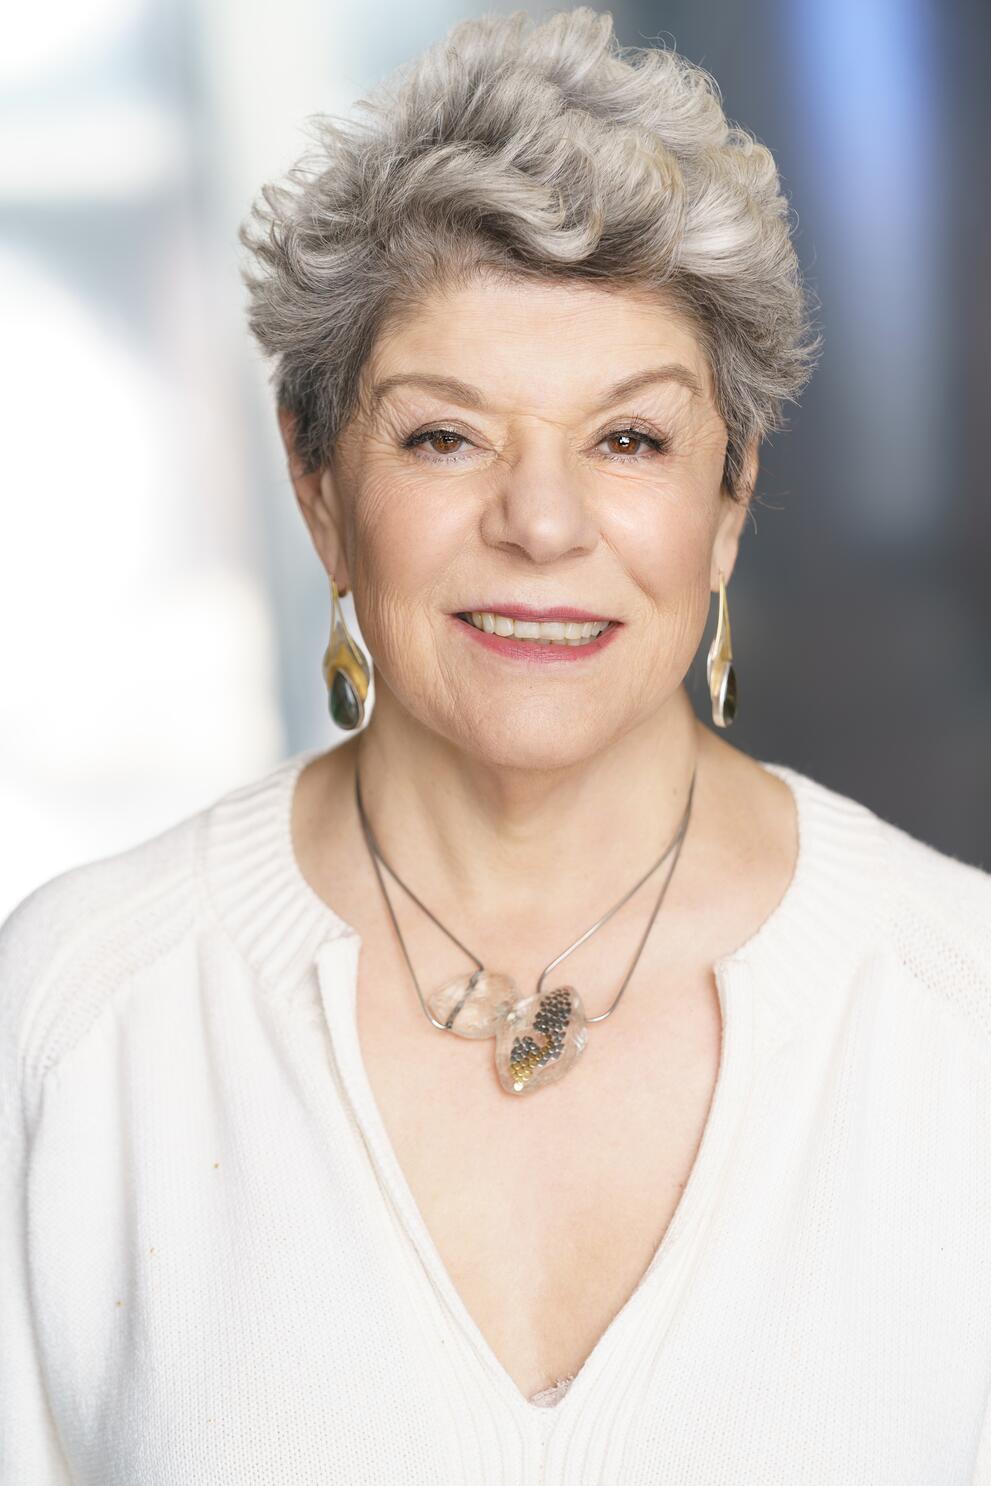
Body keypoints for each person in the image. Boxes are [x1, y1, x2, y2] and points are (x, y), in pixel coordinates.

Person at [2, 8, 989, 1483]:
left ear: (732, 496)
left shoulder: (956, 1008)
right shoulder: (83, 1017)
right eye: (444, 436)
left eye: (632, 440)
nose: (541, 523)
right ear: (316, 477)